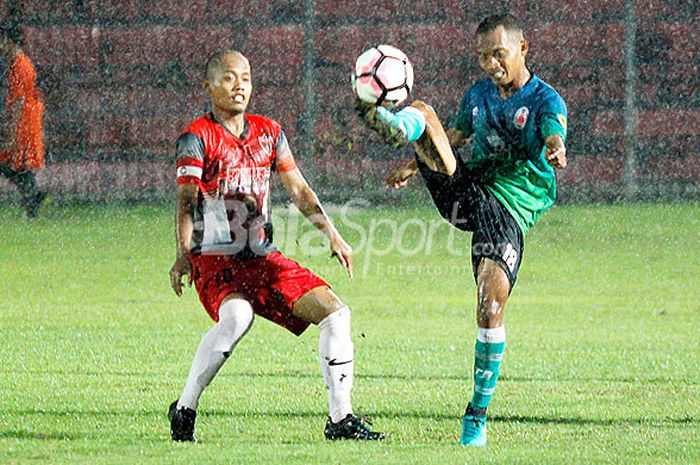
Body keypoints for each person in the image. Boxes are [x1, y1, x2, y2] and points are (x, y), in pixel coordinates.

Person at [356, 13, 568, 446]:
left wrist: (555, 146)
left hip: (508, 213)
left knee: (490, 308)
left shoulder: (546, 101)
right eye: (482, 57)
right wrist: (417, 164)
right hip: (470, 194)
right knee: (425, 113)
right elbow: (451, 135)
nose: (491, 64)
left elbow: (553, 132)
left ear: (522, 49)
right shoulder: (477, 96)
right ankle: (398, 125)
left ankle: (477, 415)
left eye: (499, 54)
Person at [168, 50, 384, 443]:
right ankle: (185, 407)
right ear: (208, 86)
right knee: (237, 319)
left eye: (246, 78)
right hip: (216, 261)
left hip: (263, 259)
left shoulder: (269, 132)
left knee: (336, 314)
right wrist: (183, 254)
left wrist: (332, 234)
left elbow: (299, 190)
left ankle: (341, 418)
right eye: (230, 78)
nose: (239, 86)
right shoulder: (196, 138)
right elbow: (185, 201)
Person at [0, 27, 45, 218]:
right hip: (27, 119)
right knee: (18, 164)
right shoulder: (20, 64)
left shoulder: (20, 66)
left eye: (2, 42)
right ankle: (33, 198)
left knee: (12, 162)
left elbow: (18, 102)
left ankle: (33, 197)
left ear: (10, 42)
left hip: (24, 121)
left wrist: (13, 131)